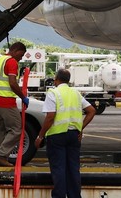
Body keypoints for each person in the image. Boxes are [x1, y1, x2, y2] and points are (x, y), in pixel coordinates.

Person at [35, 69, 96, 198]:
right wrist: (80, 128)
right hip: (74, 136)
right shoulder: (75, 93)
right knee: (73, 168)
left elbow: (50, 116)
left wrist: (40, 136)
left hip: (57, 136)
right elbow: (91, 111)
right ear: (68, 80)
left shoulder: (53, 93)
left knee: (59, 169)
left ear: (56, 79)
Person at [0, 41, 30, 166]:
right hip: (6, 101)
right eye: (21, 55)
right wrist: (23, 97)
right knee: (17, 129)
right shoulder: (12, 62)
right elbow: (12, 83)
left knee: (1, 131)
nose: (21, 58)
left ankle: (0, 159)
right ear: (15, 50)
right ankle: (0, 155)